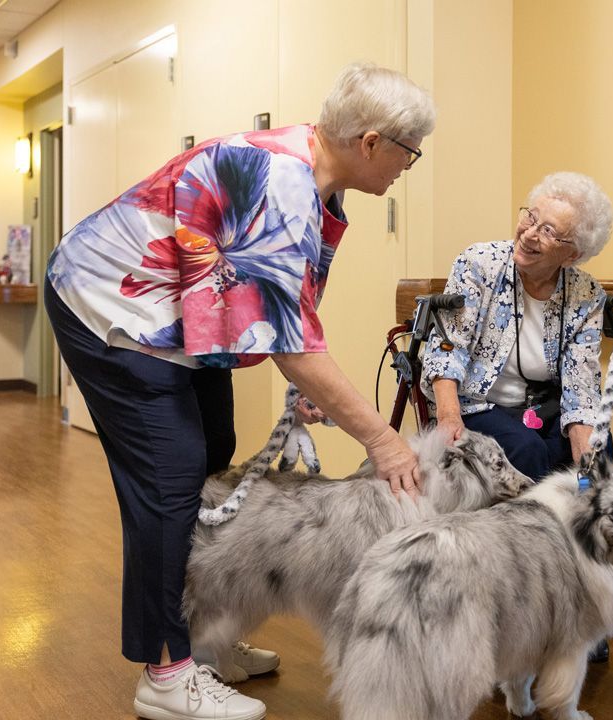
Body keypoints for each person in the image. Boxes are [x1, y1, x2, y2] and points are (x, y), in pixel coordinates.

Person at [45, 62, 435, 720]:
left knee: (211, 455)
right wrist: (382, 439)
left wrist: (316, 387)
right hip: (108, 309)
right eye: (408, 151)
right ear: (371, 142)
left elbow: (290, 308)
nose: (408, 165)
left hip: (175, 316)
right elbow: (292, 347)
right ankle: (165, 674)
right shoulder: (283, 181)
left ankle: (204, 640)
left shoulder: (315, 178)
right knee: (169, 484)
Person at [423, 171, 613, 482]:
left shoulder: (587, 295)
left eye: (548, 230)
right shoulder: (479, 264)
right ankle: (527, 531)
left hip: (540, 408)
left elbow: (581, 391)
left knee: (598, 449)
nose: (529, 234)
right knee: (526, 451)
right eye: (531, 217)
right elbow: (448, 348)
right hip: (475, 405)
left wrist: (589, 476)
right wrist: (448, 417)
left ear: (572, 255)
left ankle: (579, 526)